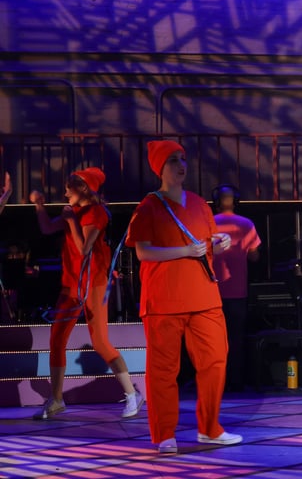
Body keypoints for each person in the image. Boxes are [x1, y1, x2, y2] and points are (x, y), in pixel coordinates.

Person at [126, 140, 242, 453]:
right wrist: (184, 251)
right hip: (164, 299)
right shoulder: (149, 206)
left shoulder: (200, 205)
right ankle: (165, 434)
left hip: (204, 295)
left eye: (183, 159)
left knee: (215, 361)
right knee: (163, 370)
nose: (181, 165)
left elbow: (204, 246)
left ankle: (210, 429)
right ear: (159, 168)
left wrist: (218, 243)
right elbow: (143, 252)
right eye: (173, 160)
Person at [29, 167, 143, 420]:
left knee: (100, 341)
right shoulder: (75, 211)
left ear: (83, 188)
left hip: (93, 284)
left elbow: (84, 248)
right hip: (70, 284)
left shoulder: (96, 212)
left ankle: (132, 393)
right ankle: (56, 399)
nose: (65, 193)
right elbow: (47, 228)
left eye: (69, 188)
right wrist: (39, 206)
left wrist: (70, 220)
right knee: (57, 339)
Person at [211, 184, 261, 392]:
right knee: (236, 339)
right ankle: (236, 382)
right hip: (238, 292)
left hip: (211, 293)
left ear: (216, 202)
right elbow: (255, 256)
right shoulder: (246, 224)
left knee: (213, 340)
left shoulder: (208, 223)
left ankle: (215, 382)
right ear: (236, 201)